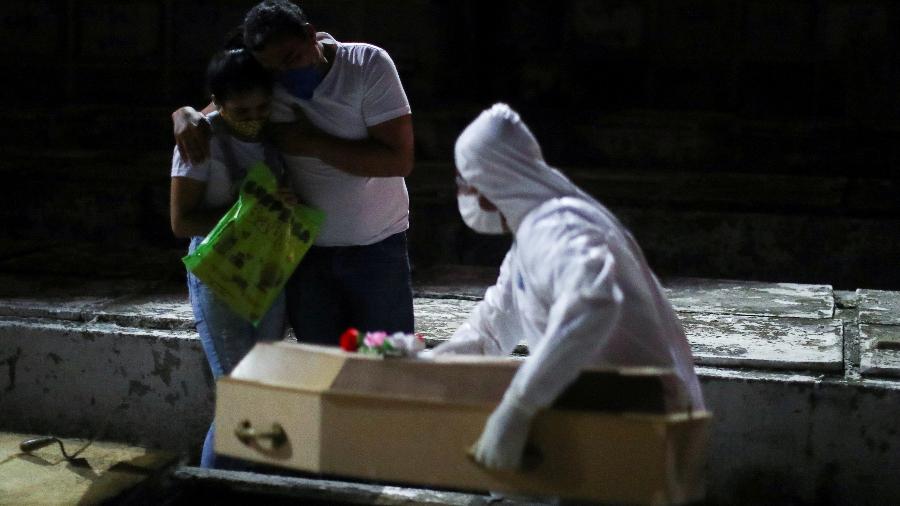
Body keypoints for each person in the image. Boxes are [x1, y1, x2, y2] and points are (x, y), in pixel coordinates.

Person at [432, 103, 706, 471]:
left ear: (485, 186)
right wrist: (426, 364)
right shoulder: (530, 239)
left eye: (464, 183)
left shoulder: (558, 227)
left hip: (641, 420)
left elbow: (594, 303)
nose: (464, 195)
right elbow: (490, 331)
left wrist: (518, 407)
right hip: (609, 414)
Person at [172, 0, 415, 344]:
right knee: (321, 369)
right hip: (303, 256)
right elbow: (224, 105)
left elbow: (399, 161)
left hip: (376, 249)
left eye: (291, 60)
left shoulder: (366, 64)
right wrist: (183, 115)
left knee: (388, 366)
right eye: (274, 71)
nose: (286, 76)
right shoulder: (272, 83)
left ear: (309, 35)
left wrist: (311, 143)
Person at [170, 48, 292, 468]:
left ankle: (245, 483)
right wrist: (248, 208)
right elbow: (182, 221)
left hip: (267, 273)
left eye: (262, 106)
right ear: (217, 104)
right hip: (218, 276)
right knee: (242, 393)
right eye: (242, 109)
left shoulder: (270, 135)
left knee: (259, 392)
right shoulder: (202, 140)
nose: (254, 116)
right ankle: (215, 487)